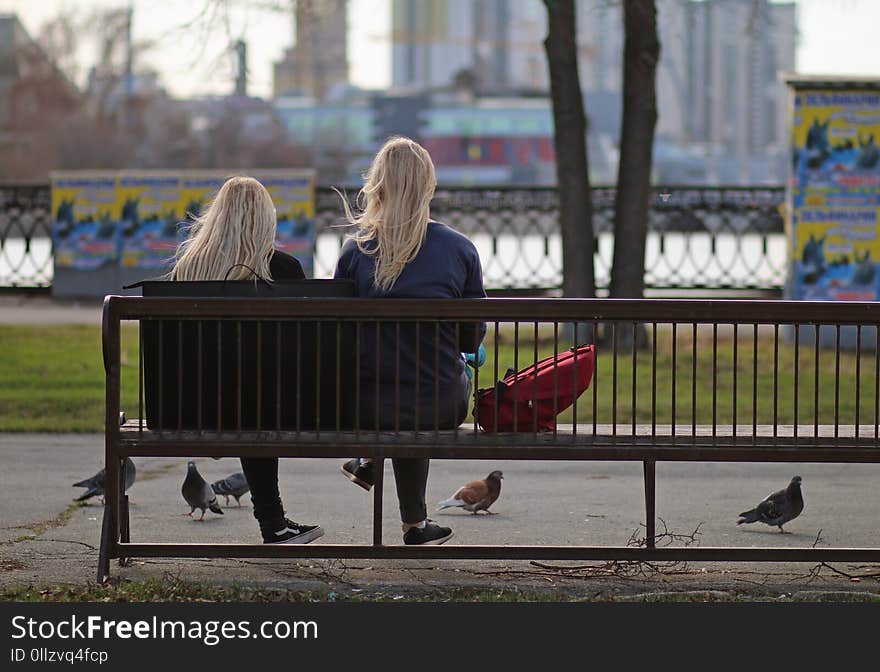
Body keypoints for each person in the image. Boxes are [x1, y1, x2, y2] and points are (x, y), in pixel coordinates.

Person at [333, 137, 487, 546]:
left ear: (377, 186)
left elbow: (337, 336)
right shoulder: (458, 249)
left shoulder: (356, 251)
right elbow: (471, 338)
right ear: (428, 187)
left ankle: (370, 460)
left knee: (397, 391)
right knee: (427, 384)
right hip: (437, 402)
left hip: (365, 403)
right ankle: (414, 526)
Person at [170, 175, 323, 545]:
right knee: (255, 397)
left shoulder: (187, 270)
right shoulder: (283, 270)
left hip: (188, 410)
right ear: (265, 221)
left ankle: (275, 524)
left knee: (243, 396)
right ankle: (274, 524)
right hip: (265, 410)